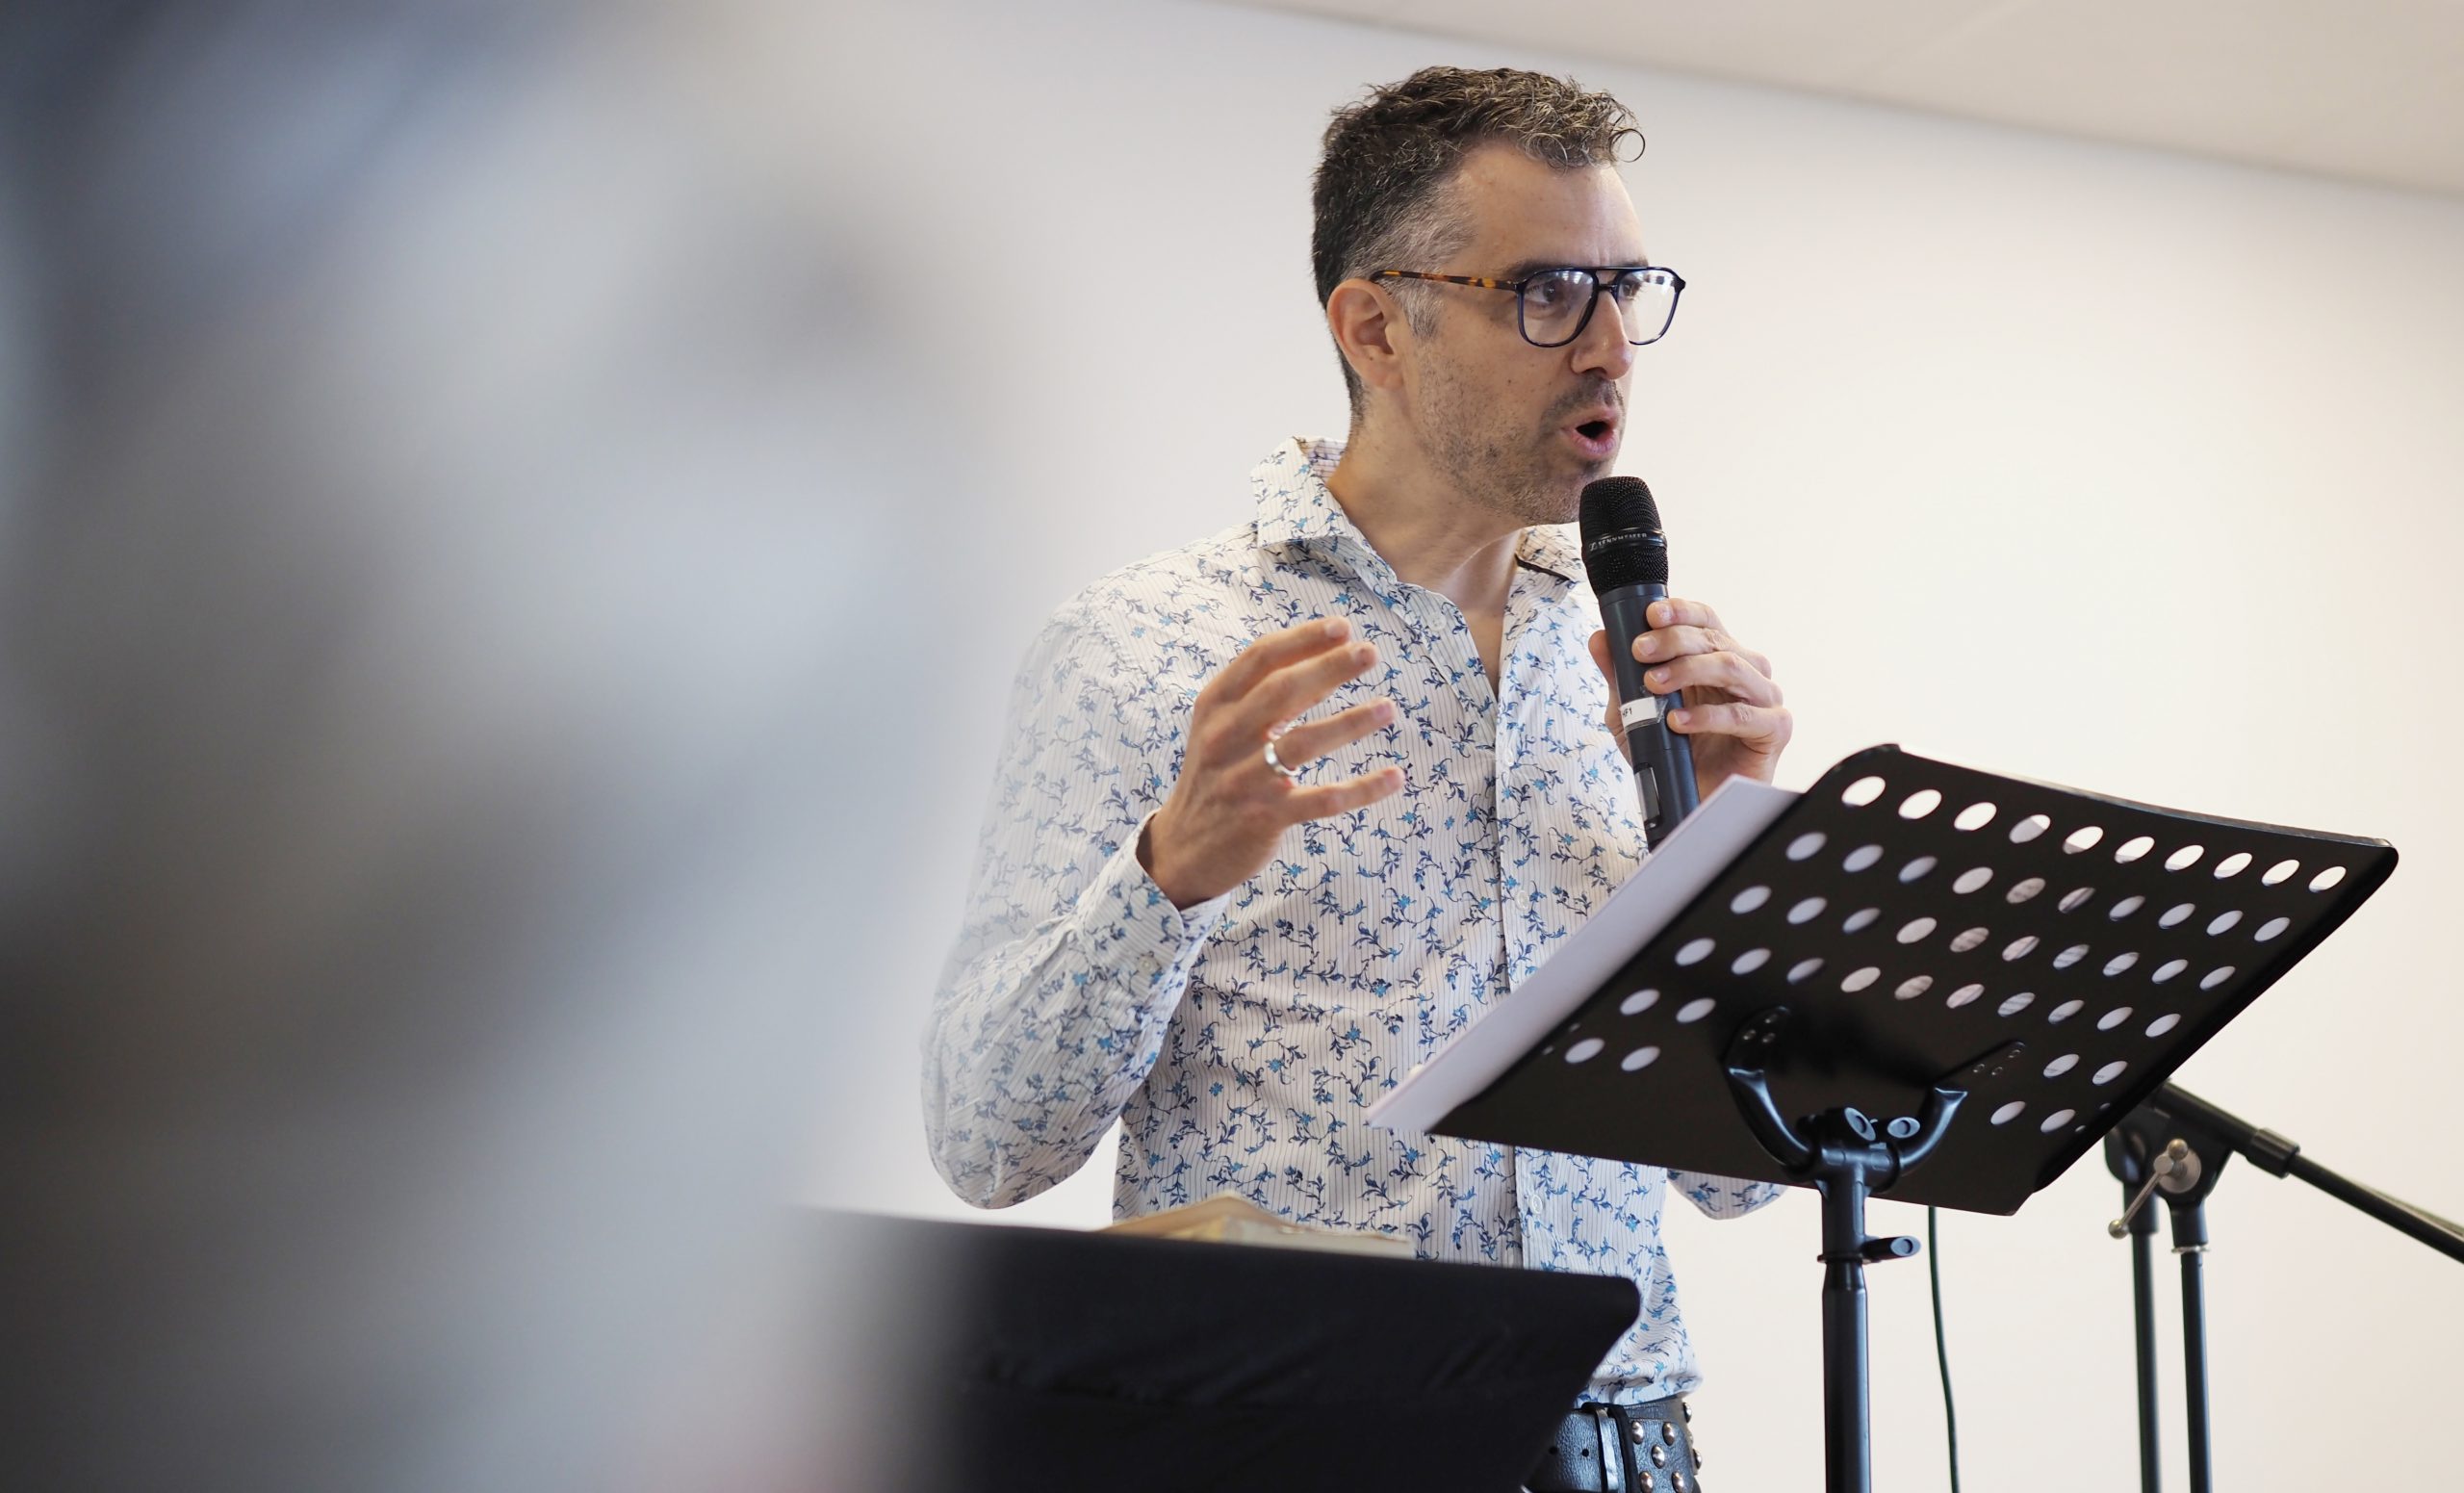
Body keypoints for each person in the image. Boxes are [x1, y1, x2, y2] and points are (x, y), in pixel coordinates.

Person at [925, 65, 1794, 1487]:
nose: (1609, 348)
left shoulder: (1637, 669)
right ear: (1377, 326)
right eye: (1548, 292)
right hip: (1277, 1440)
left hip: (1624, 1444)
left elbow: (1733, 1181)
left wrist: (1731, 841)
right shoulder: (1144, 647)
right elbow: (987, 1140)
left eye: (1627, 290)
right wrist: (1169, 874)